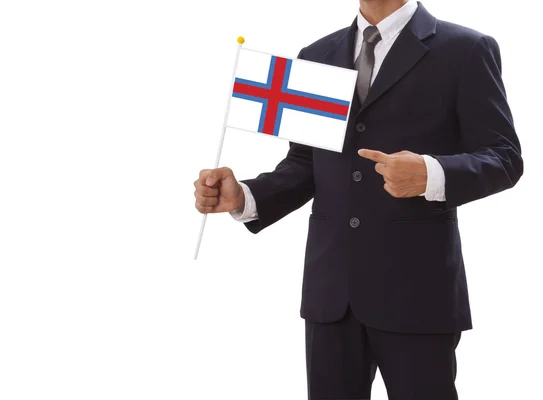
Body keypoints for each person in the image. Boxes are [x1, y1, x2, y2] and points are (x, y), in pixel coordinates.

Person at [193, 0, 523, 398]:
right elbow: (303, 164)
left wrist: (430, 173)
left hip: (417, 290)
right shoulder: (317, 56)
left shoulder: (466, 49)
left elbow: (504, 158)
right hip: (331, 292)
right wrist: (244, 195)